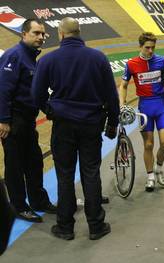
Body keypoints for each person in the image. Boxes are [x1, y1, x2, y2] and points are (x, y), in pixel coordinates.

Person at [31, 17, 119, 241]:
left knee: (65, 175)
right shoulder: (98, 57)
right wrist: (113, 122)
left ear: (60, 34)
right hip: (91, 124)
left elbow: (36, 95)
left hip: (63, 126)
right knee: (91, 173)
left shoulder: (48, 60)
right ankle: (96, 226)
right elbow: (111, 94)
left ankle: (65, 227)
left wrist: (49, 111)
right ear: (80, 33)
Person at [0, 19, 56, 223]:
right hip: (14, 120)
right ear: (24, 34)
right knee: (15, 166)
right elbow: (3, 91)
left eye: (42, 34)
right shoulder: (14, 56)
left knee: (34, 161)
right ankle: (18, 206)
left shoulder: (32, 57)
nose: (40, 37)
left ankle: (38, 201)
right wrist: (4, 120)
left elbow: (36, 91)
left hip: (28, 120)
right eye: (36, 33)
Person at [119, 32, 164, 192]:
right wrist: (122, 104)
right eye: (147, 48)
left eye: (153, 47)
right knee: (148, 144)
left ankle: (159, 167)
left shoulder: (162, 61)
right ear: (140, 46)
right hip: (145, 107)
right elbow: (123, 85)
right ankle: (150, 176)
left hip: (160, 105)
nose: (151, 51)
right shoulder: (131, 64)